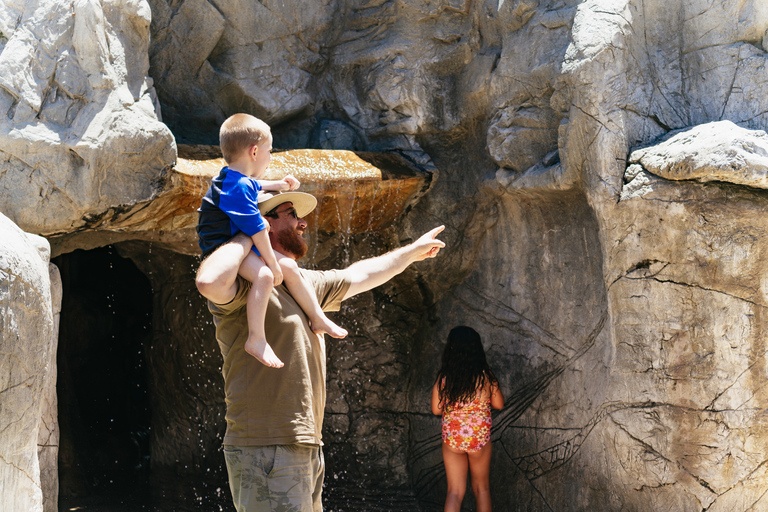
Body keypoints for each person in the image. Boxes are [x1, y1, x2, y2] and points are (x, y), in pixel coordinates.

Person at [195, 187, 446, 512]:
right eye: (291, 214)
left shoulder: (304, 286)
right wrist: (248, 234)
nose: (302, 223)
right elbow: (208, 282)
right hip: (267, 444)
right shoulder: (244, 288)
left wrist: (411, 252)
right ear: (265, 222)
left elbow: (361, 274)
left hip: (304, 444)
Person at [197, 113, 347, 368]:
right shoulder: (237, 188)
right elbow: (257, 230)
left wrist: (279, 183)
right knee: (267, 275)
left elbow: (252, 185)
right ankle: (256, 339)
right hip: (222, 248)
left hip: (237, 242)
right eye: (270, 150)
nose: (270, 157)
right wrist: (272, 264)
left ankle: (317, 317)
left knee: (290, 266)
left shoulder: (233, 178)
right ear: (254, 152)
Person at [431, 326, 505, 512]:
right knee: (482, 489)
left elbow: (436, 410)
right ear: (476, 349)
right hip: (478, 439)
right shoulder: (486, 377)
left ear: (451, 349)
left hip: (453, 440)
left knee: (454, 492)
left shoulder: (445, 378)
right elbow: (499, 404)